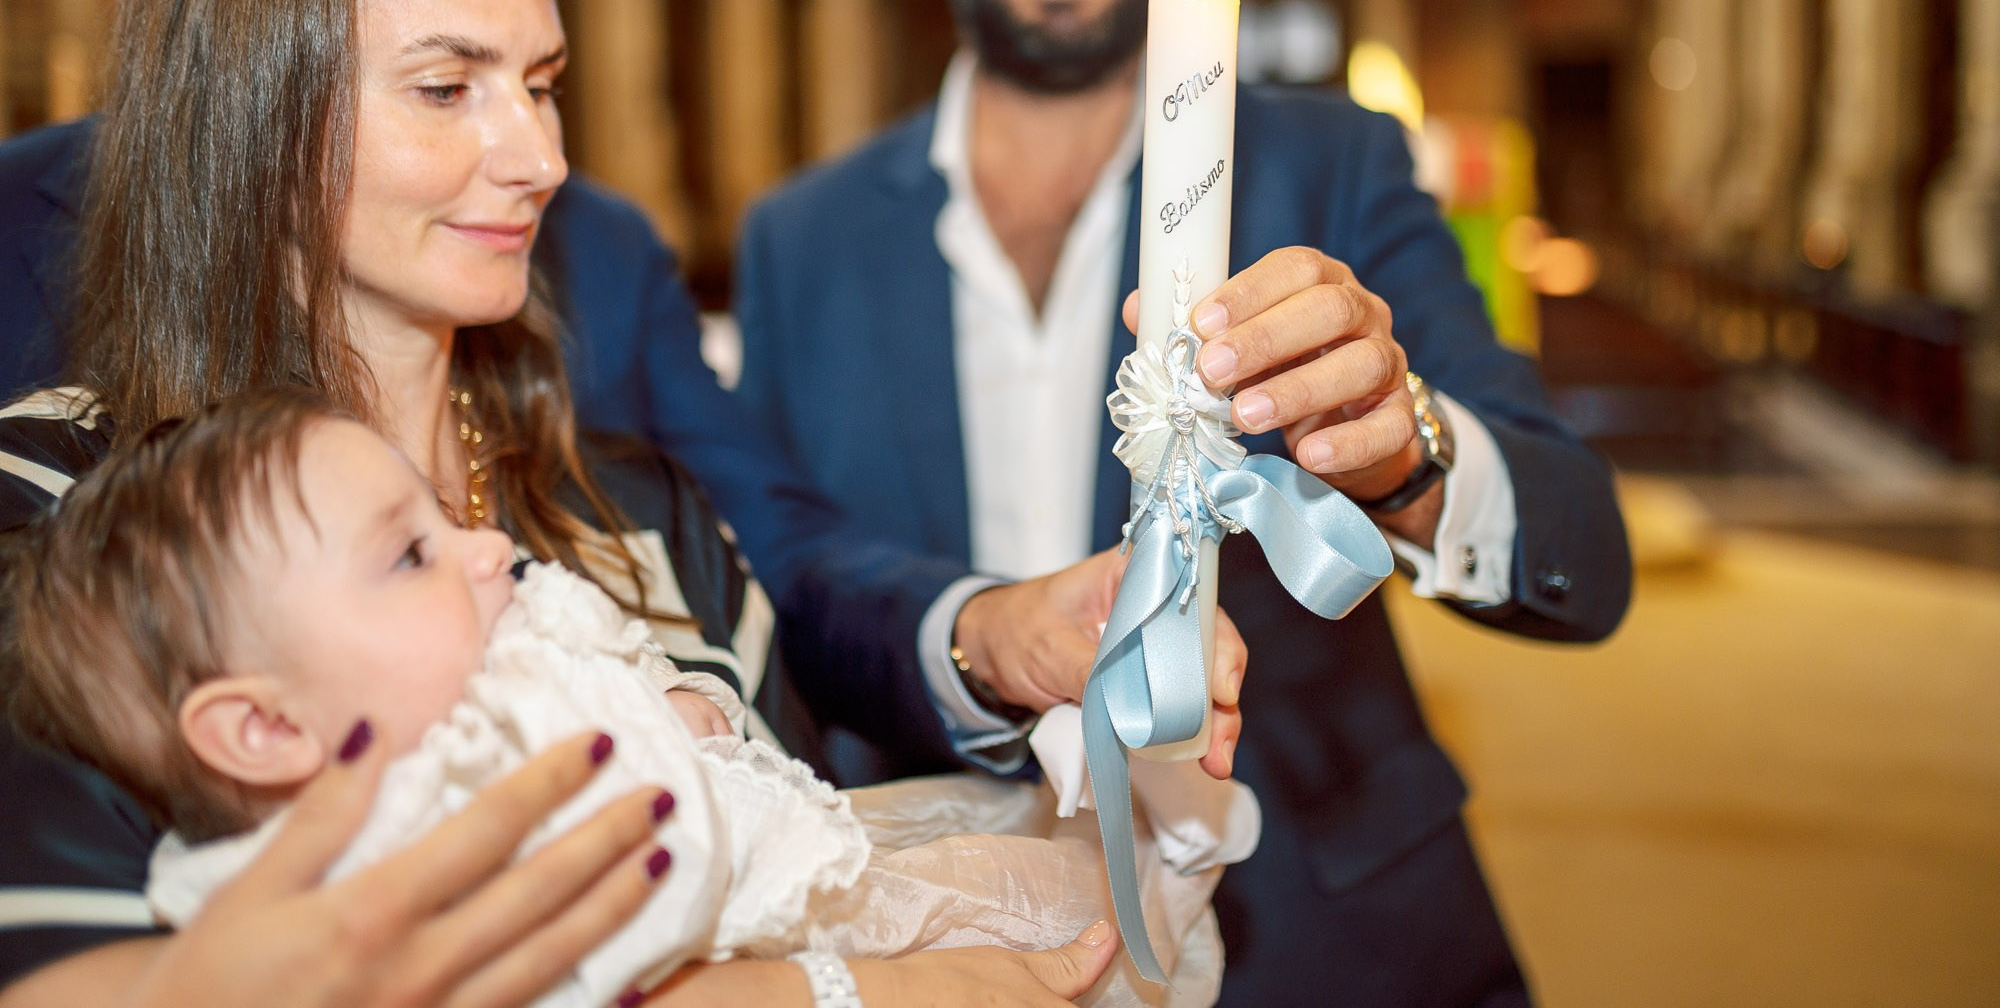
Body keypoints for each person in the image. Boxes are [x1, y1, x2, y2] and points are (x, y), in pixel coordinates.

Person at [0, 0, 1242, 999]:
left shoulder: (639, 504)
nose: (540, 157)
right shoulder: (81, 501)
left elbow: (797, 846)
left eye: (542, 84)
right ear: (256, 93)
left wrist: (995, 637)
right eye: (445, 87)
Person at [733, 0, 1634, 1005]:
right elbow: (794, 585)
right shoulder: (800, 237)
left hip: (1315, 919)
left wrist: (1407, 449)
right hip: (947, 927)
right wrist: (977, 639)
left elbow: (1584, 550)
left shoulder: (1330, 165)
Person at [7, 388, 1231, 1007]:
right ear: (262, 726)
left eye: (537, 84)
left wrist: (676, 710)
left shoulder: (578, 529)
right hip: (794, 916)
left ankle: (1158, 854)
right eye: (445, 86)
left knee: (1048, 899)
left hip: (822, 866)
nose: (486, 550)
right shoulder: (356, 844)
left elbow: (751, 583)